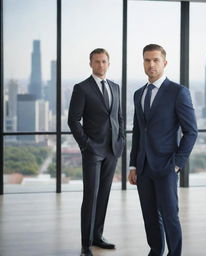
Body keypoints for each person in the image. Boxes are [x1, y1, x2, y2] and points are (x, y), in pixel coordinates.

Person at [128, 44, 197, 256]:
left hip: (167, 166)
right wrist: (133, 165)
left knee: (169, 216)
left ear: (164, 63)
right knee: (149, 216)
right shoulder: (139, 94)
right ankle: (156, 251)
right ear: (143, 63)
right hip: (143, 166)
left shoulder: (178, 92)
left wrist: (177, 164)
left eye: (156, 60)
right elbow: (138, 131)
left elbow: (191, 131)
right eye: (147, 60)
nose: (151, 64)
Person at [68, 48, 125, 256]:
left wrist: (121, 141)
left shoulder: (115, 87)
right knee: (90, 196)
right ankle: (85, 245)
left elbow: (119, 117)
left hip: (112, 150)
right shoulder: (82, 88)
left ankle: (97, 236)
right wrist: (86, 145)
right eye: (97, 62)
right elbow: (73, 121)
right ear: (90, 64)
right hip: (92, 151)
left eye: (104, 62)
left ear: (108, 63)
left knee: (104, 195)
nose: (101, 65)